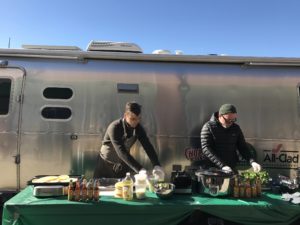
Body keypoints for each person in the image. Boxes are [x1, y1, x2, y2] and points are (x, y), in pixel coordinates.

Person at [94, 101, 164, 179]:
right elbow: (121, 152)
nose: (136, 122)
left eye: (138, 119)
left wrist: (157, 165)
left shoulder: (138, 128)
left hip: (121, 165)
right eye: (133, 119)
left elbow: (147, 146)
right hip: (105, 165)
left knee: (123, 189)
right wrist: (140, 170)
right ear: (125, 116)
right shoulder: (114, 127)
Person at [200, 103, 261, 173]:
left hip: (230, 168)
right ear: (220, 116)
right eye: (228, 120)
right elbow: (206, 149)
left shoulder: (235, 128)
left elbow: (243, 147)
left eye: (233, 120)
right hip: (212, 169)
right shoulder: (208, 127)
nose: (230, 123)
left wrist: (252, 162)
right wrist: (222, 165)